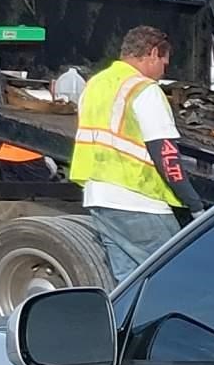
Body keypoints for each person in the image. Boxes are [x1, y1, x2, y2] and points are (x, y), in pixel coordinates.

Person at [68, 25, 195, 281]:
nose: (163, 71)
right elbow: (165, 154)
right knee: (174, 277)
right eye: (164, 62)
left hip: (99, 197)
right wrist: (194, 203)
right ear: (153, 53)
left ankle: (130, 323)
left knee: (129, 281)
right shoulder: (145, 90)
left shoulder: (94, 85)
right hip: (139, 199)